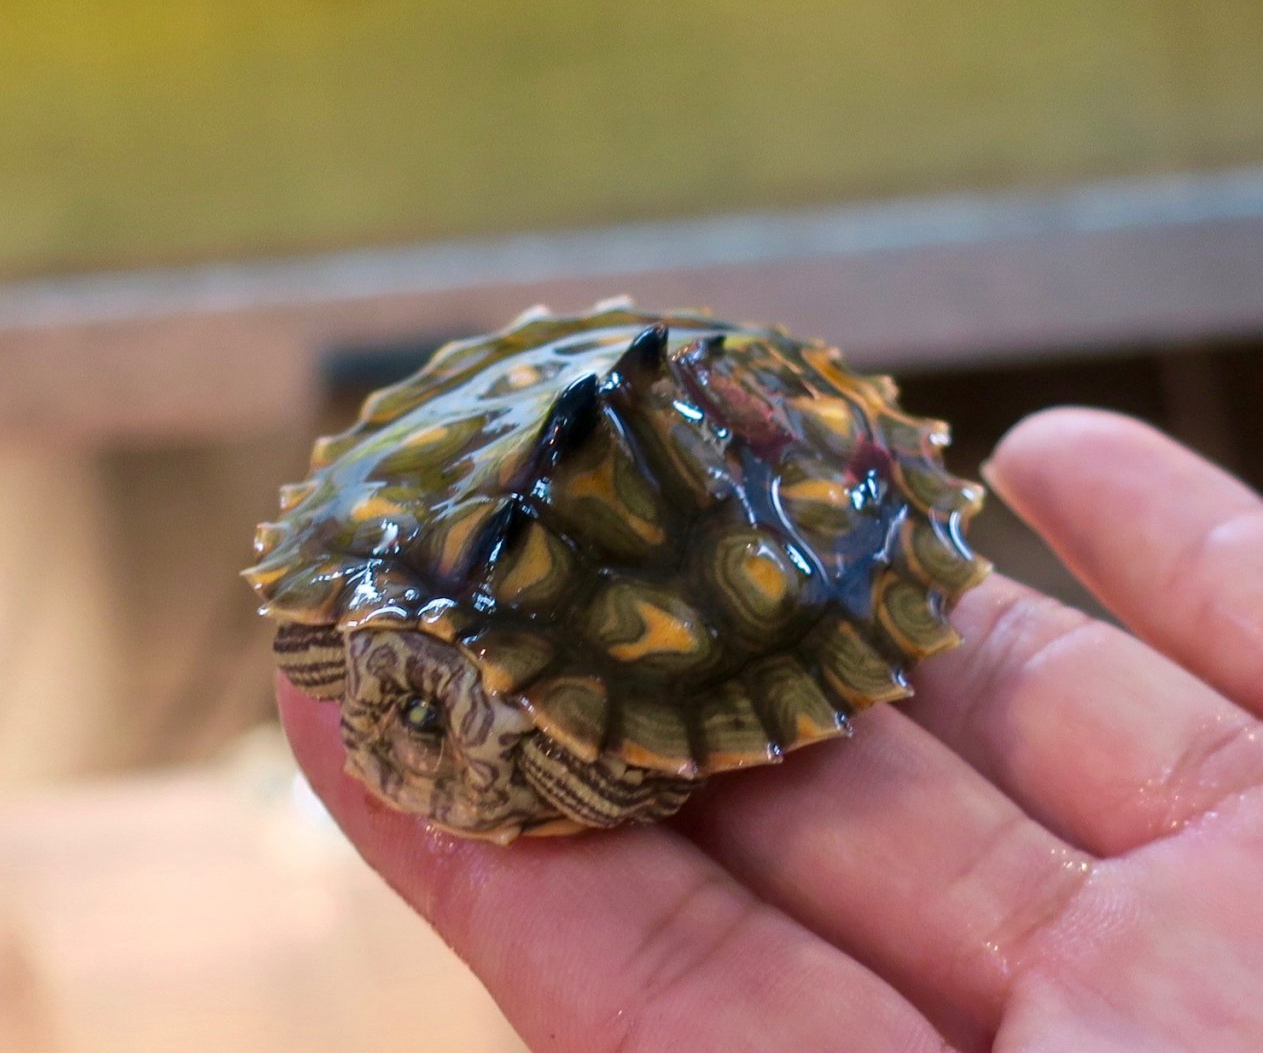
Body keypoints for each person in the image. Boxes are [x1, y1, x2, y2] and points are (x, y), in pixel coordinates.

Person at [279, 408, 1263, 1052]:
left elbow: (647, 767)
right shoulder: (354, 622)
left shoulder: (605, 747)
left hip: (743, 446)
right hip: (493, 448)